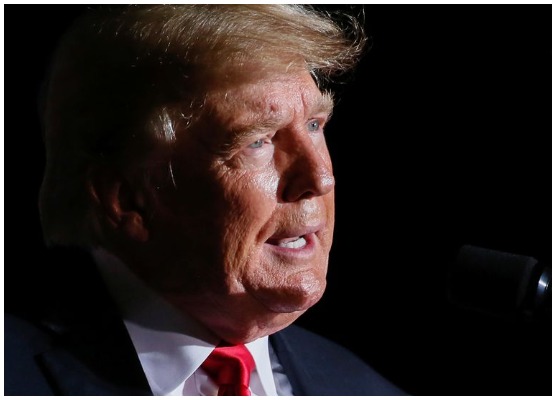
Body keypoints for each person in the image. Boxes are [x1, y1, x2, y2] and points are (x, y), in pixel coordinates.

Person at [5, 5, 406, 396]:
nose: (320, 177)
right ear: (127, 198)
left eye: (315, 124)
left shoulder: (365, 389)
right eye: (258, 141)